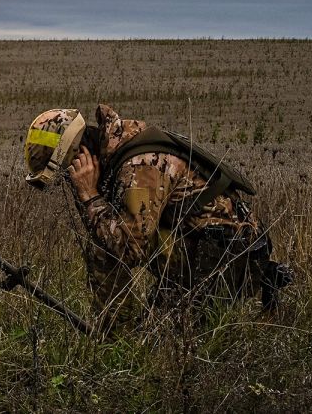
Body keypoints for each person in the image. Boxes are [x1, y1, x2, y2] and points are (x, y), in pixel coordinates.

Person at [24, 105, 291, 334]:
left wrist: (90, 197)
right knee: (156, 330)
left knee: (104, 250)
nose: (67, 183)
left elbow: (129, 249)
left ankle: (117, 343)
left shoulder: (140, 167)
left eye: (65, 175)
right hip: (207, 255)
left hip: (228, 264)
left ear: (79, 156)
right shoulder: (121, 152)